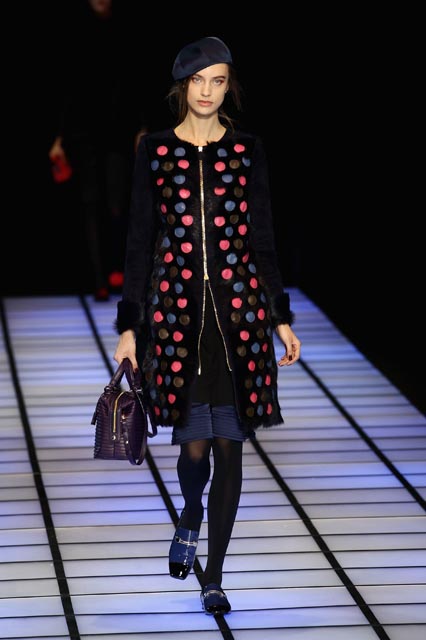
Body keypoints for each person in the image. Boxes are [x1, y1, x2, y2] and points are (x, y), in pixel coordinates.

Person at [113, 36, 301, 615]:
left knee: (231, 450)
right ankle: (190, 512)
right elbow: (139, 240)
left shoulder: (246, 151)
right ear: (182, 86)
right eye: (198, 80)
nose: (207, 91)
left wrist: (280, 316)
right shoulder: (156, 152)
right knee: (194, 452)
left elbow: (262, 236)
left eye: (218, 81)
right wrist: (129, 326)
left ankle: (213, 577)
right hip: (176, 321)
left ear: (228, 87)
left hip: (239, 321)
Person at [48, 0, 148, 301]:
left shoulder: (126, 28)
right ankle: (99, 278)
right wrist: (59, 138)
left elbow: (136, 79)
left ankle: (116, 266)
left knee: (117, 203)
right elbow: (67, 87)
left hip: (118, 129)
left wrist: (142, 126)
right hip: (84, 131)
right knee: (90, 202)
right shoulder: (76, 31)